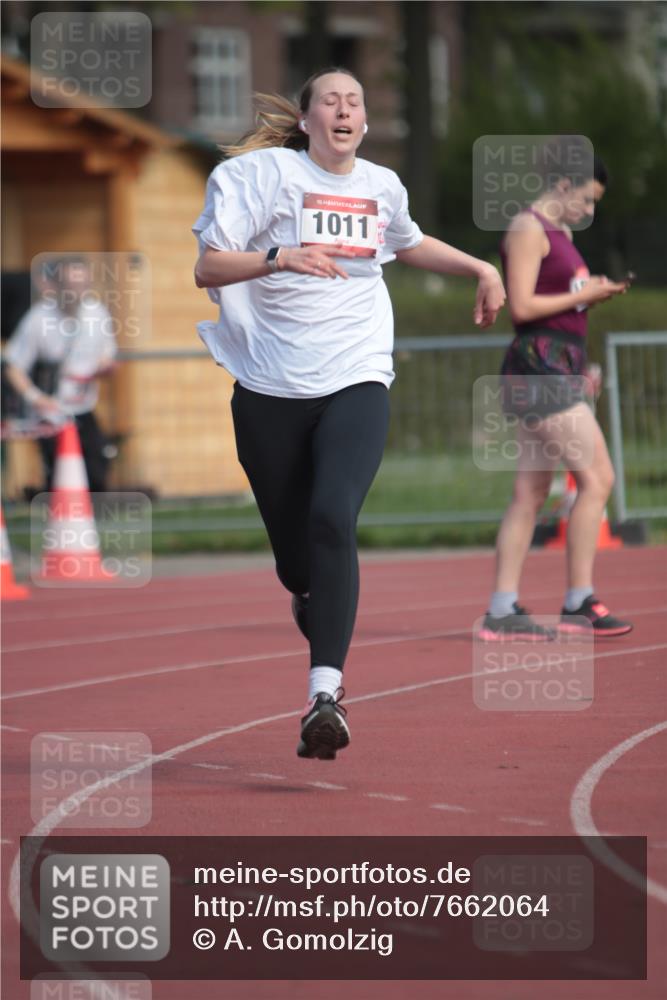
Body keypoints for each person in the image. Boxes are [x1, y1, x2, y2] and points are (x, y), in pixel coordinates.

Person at [193, 67, 506, 759]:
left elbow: (408, 241)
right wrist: (280, 257)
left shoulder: (379, 186)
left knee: (334, 514)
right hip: (269, 385)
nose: (343, 108)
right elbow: (209, 268)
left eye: (354, 100)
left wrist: (480, 269)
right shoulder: (259, 177)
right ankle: (309, 592)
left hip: (355, 375)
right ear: (306, 119)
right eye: (329, 100)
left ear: (363, 122)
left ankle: (323, 696)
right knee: (296, 557)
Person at [478, 150, 633, 641]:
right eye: (586, 200)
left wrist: (581, 360)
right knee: (598, 478)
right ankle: (578, 601)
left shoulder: (560, 235)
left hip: (554, 364)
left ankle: (503, 608)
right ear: (564, 186)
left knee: (531, 492)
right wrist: (586, 295)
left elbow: (562, 312)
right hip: (538, 365)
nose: (589, 212)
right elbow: (522, 307)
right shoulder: (529, 228)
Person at [3, 258, 118, 493]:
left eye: (83, 283)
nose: (78, 290)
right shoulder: (38, 318)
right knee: (60, 478)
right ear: (57, 286)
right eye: (71, 284)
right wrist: (36, 398)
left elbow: (107, 354)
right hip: (50, 413)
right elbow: (13, 365)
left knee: (97, 472)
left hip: (83, 409)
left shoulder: (97, 313)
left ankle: (90, 526)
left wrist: (105, 367)